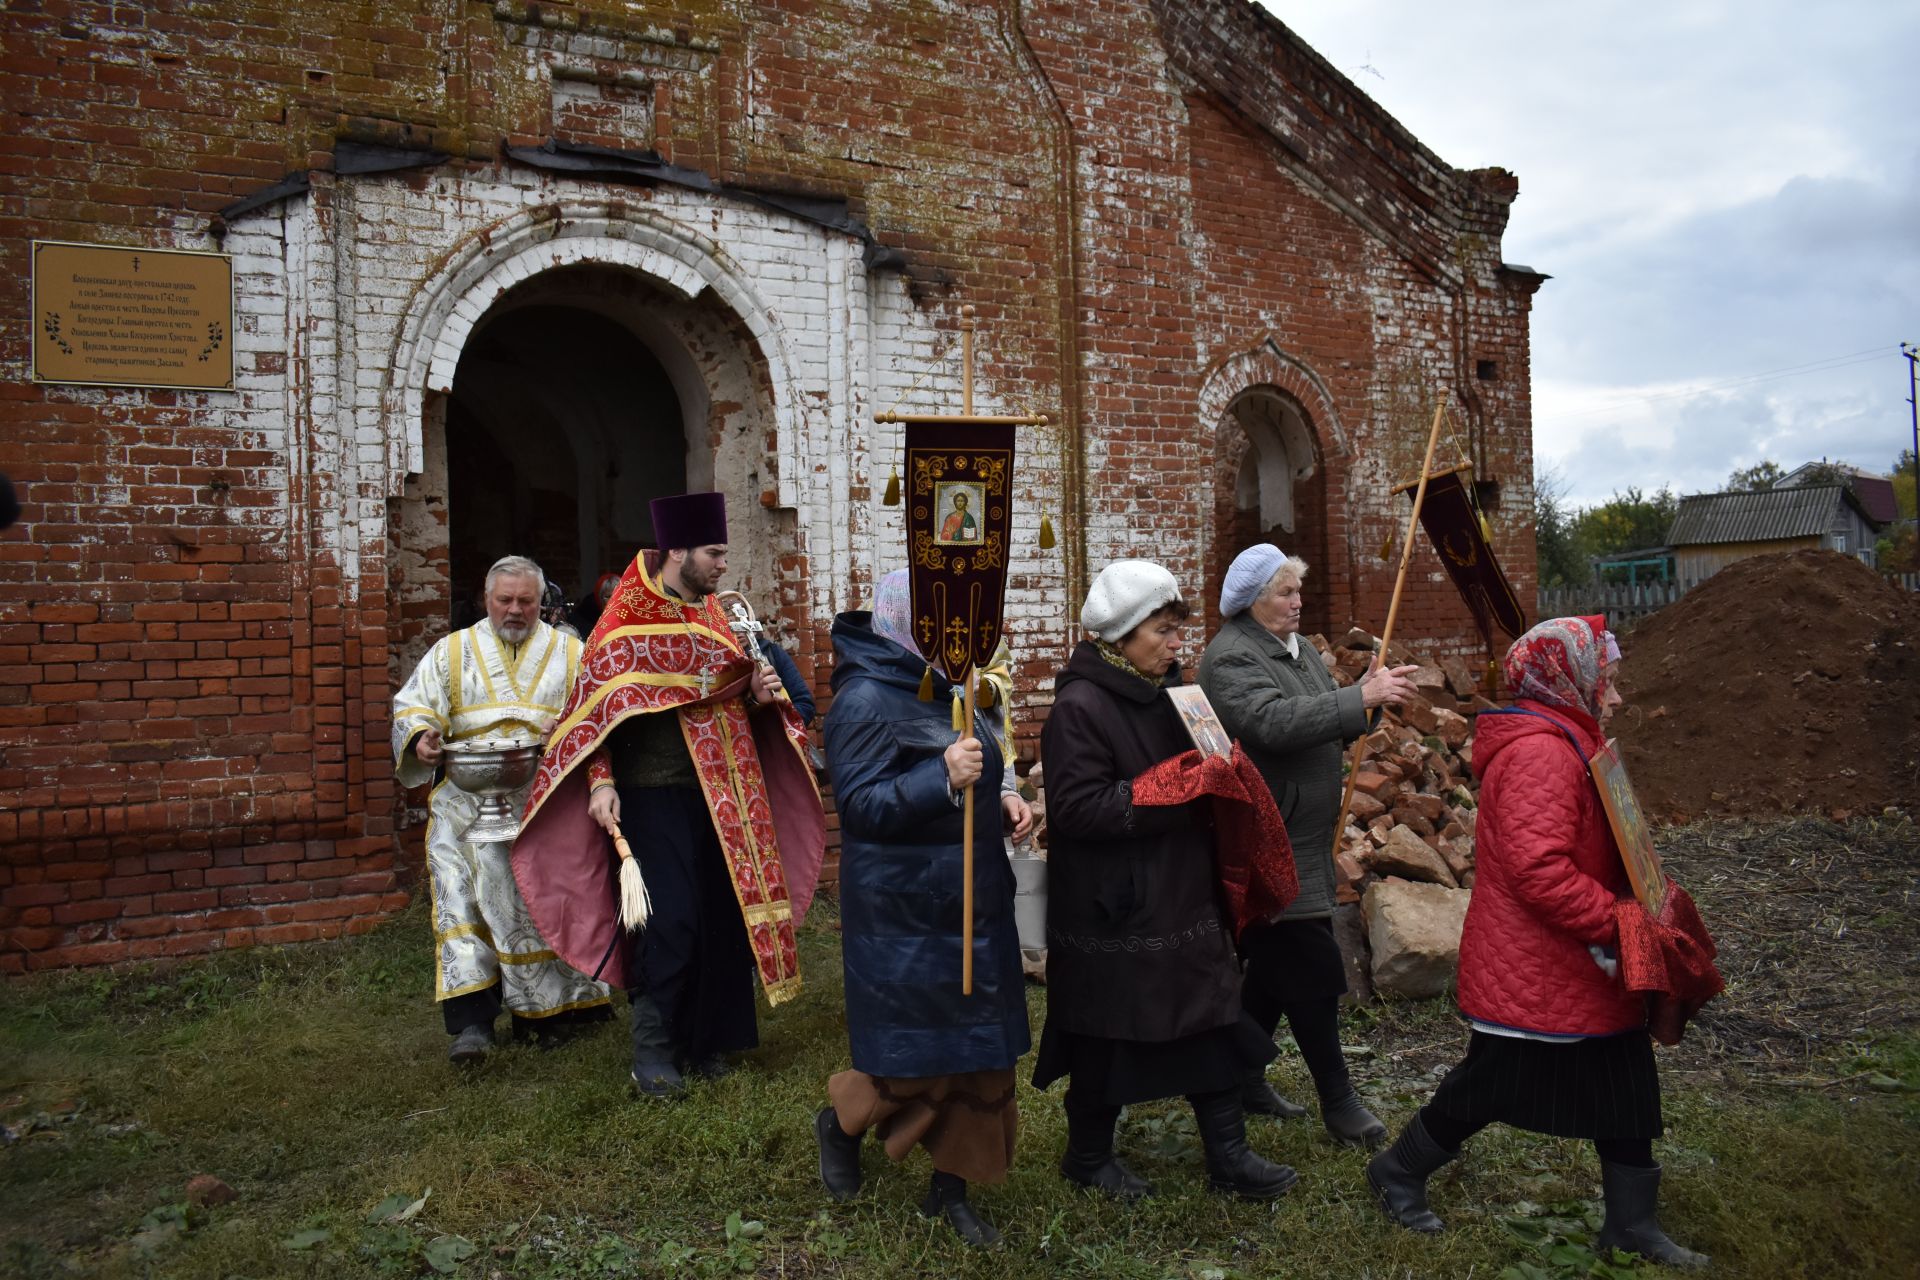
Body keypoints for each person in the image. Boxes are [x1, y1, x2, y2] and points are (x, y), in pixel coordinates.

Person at [1367, 616, 1708, 1269]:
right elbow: (1536, 870)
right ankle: (1398, 1170)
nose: (1613, 693)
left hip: (1575, 958)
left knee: (1626, 1079)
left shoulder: (1569, 738)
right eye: (1603, 678)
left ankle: (1632, 1225)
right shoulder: (1541, 752)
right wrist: (1617, 920)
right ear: (1566, 677)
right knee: (1494, 1081)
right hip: (1541, 961)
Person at [511, 493, 827, 1099]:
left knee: (721, 917)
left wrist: (761, 697)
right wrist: (600, 782)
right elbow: (592, 715)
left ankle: (707, 1042)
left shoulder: (717, 616)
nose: (721, 566)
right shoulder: (624, 623)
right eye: (713, 553)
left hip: (729, 791)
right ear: (676, 551)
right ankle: (653, 1050)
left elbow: (742, 695)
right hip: (653, 796)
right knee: (669, 921)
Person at [1034, 559, 1297, 1201]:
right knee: (1107, 1032)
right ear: (1120, 635)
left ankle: (1229, 1158)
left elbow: (1201, 769)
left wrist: (1222, 771)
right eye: (1163, 631)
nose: (1178, 644)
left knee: (1209, 1015)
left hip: (1183, 890)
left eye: (1179, 629)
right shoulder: (1079, 707)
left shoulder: (1176, 696)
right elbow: (1075, 809)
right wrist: (1174, 790)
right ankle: (1088, 1156)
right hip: (1115, 905)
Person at [813, 570, 1033, 1246]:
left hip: (975, 899)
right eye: (946, 622)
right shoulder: (865, 700)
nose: (962, 635)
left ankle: (952, 1189)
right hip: (903, 913)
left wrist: (997, 799)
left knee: (980, 1052)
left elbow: (975, 769)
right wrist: (940, 777)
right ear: (909, 622)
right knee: (913, 1059)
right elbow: (861, 807)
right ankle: (842, 1122)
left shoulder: (955, 688)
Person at [1196, 544, 1418, 1147]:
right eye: (1285, 593)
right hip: (1268, 836)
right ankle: (1339, 1101)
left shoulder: (1294, 651)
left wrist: (1370, 700)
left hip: (1306, 834)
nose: (1298, 602)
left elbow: (1326, 714)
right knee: (1313, 963)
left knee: (1274, 964)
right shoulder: (1230, 657)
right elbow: (1271, 723)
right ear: (1250, 601)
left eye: (1298, 590)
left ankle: (1240, 1075)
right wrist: (1356, 701)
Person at [391, 555, 612, 1062]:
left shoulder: (570, 651)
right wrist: (422, 737)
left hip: (544, 800)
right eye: (504, 600)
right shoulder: (451, 652)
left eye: (526, 601)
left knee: (545, 907)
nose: (515, 610)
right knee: (462, 906)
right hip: (465, 805)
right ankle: (473, 1022)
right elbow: (414, 706)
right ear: (486, 600)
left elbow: (593, 715)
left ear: (542, 602)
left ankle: (556, 1014)